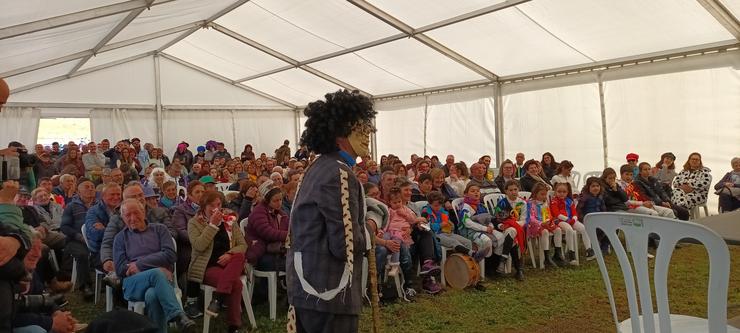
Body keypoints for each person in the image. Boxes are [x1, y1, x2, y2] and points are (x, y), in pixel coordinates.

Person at [287, 90, 373, 332]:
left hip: (308, 288)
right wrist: (371, 230)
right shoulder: (339, 173)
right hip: (330, 293)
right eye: (360, 128)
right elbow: (344, 244)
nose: (367, 134)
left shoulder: (316, 167)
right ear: (339, 133)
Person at [112, 199, 195, 333]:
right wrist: (157, 267)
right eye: (128, 215)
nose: (133, 218)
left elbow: (170, 255)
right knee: (157, 273)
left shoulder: (159, 230)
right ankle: (178, 316)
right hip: (134, 284)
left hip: (161, 283)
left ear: (144, 212)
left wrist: (139, 264)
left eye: (136, 213)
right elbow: (121, 268)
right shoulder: (120, 238)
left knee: (153, 295)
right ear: (122, 217)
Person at [186, 191, 246, 332]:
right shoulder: (194, 223)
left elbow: (243, 245)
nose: (215, 208)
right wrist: (212, 225)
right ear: (204, 207)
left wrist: (230, 254)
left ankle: (218, 299)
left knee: (239, 256)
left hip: (231, 263)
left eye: (218, 204)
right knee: (236, 284)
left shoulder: (229, 220)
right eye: (211, 205)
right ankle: (234, 326)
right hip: (209, 265)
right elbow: (199, 246)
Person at [60, 178, 97, 300]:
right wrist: (79, 236)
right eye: (87, 186)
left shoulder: (99, 206)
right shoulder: (71, 206)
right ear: (78, 191)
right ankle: (85, 287)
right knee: (82, 254)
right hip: (76, 240)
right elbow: (64, 227)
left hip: (96, 239)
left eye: (92, 186)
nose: (90, 188)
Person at [550, 182, 595, 263]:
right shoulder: (554, 201)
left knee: (583, 228)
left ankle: (589, 250)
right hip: (559, 221)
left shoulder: (569, 201)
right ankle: (571, 253)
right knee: (569, 230)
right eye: (559, 192)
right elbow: (556, 213)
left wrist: (574, 219)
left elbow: (574, 212)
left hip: (571, 220)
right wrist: (567, 220)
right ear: (555, 191)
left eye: (564, 192)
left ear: (567, 192)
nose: (561, 194)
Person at [83, 183, 122, 271]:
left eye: (118, 194)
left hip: (122, 248)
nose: (116, 197)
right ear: (103, 196)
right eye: (112, 194)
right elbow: (95, 234)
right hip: (100, 252)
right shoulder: (93, 211)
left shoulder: (124, 209)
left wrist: (105, 229)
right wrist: (119, 232)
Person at [525, 182, 564, 267]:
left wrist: (549, 221)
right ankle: (546, 256)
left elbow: (548, 214)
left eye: (545, 194)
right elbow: (530, 218)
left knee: (558, 230)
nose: (544, 196)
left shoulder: (545, 203)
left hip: (545, 223)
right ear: (535, 193)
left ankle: (557, 253)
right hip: (534, 225)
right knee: (545, 232)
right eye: (542, 194)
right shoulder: (530, 203)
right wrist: (541, 223)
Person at [383, 188, 419, 277]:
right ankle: (388, 260)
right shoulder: (390, 210)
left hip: (401, 232)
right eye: (394, 203)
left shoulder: (406, 209)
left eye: (399, 202)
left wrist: (404, 214)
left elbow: (413, 220)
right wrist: (382, 231)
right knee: (385, 238)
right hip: (391, 230)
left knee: (396, 242)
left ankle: (395, 264)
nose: (398, 204)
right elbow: (386, 222)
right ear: (390, 202)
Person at [577, 177, 609, 253]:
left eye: (597, 186)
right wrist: (583, 220)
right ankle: (593, 244)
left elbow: (603, 209)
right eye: (593, 186)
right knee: (596, 228)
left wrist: (605, 218)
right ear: (588, 188)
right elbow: (579, 210)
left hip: (598, 219)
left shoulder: (600, 197)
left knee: (608, 227)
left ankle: (604, 245)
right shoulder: (585, 197)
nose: (596, 188)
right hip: (587, 220)